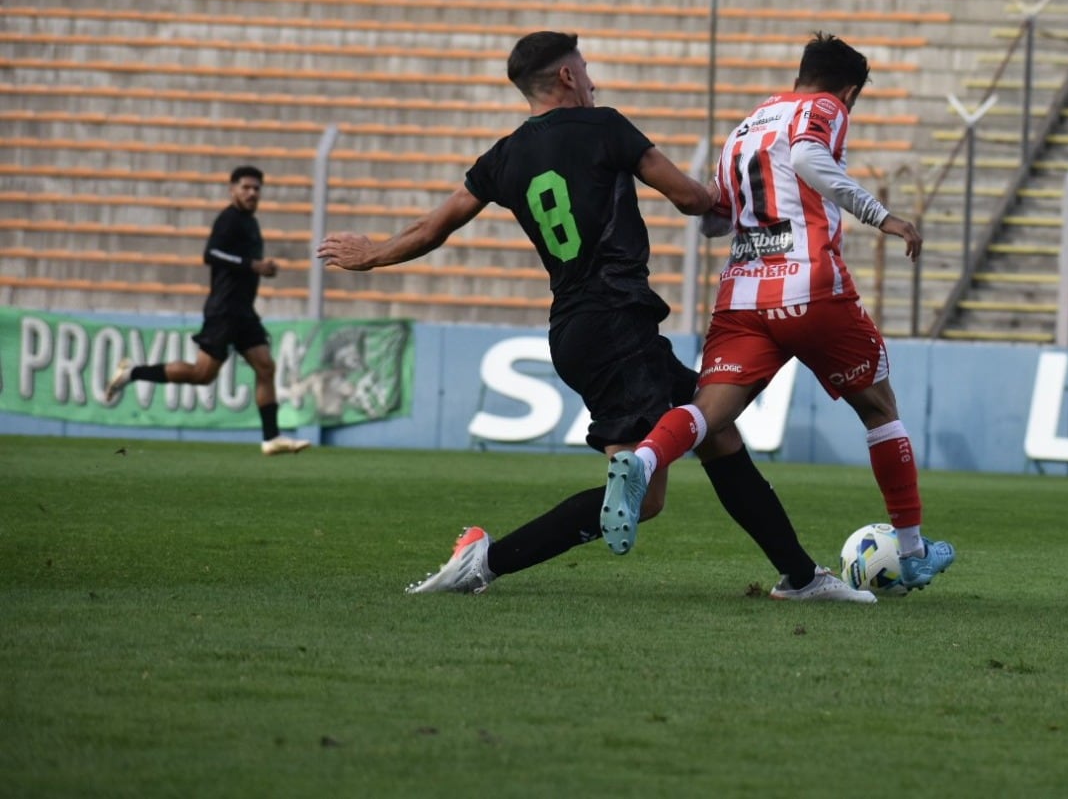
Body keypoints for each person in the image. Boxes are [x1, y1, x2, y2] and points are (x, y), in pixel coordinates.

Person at [316, 30, 871, 603]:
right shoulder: (604, 125)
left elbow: (431, 228)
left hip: (580, 328)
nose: (591, 78)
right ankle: (484, 561)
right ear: (565, 77)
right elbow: (687, 197)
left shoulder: (502, 156)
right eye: (584, 68)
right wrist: (748, 199)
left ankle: (801, 577)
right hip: (616, 325)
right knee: (646, 495)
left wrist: (374, 253)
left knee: (717, 434)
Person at [599, 32, 957, 593]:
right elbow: (810, 156)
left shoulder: (747, 126)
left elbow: (718, 213)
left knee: (709, 412)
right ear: (850, 89)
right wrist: (881, 216)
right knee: (881, 410)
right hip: (811, 287)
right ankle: (911, 552)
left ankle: (644, 461)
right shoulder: (824, 107)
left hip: (743, 293)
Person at [105, 166, 310, 456]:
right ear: (233, 189)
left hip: (243, 311)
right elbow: (210, 253)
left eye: (257, 188)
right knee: (202, 375)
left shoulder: (250, 222)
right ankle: (132, 373)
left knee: (266, 366)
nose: (252, 193)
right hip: (224, 310)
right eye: (246, 187)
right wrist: (252, 265)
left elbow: (242, 261)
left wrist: (262, 268)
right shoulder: (228, 219)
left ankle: (271, 437)